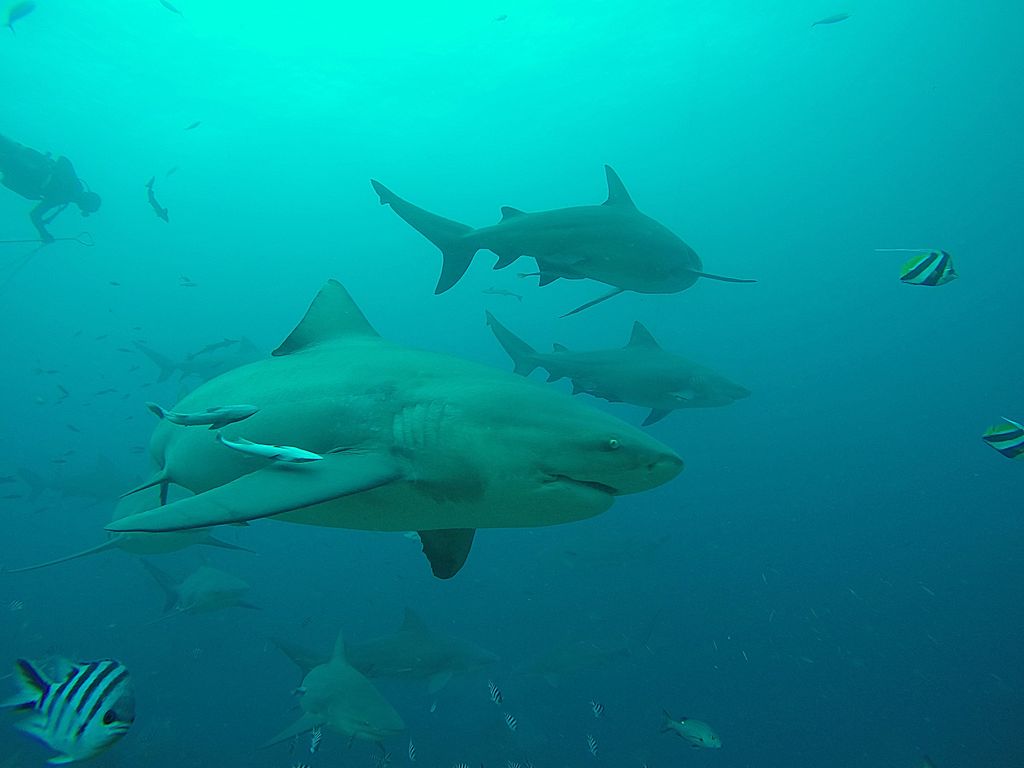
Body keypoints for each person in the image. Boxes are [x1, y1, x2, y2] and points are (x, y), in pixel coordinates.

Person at [0, 133, 101, 243]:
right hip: (20, 167)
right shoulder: (63, 196)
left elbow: (63, 160)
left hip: (24, 159)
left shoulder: (64, 195)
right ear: (83, 207)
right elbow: (34, 215)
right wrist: (44, 233)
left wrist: (44, 233)